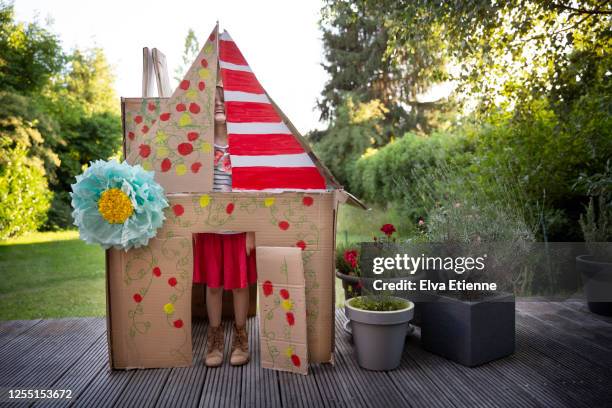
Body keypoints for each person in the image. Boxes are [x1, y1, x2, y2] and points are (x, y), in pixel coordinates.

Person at [193, 81, 256, 367]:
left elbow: (257, 189)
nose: (218, 101)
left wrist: (252, 231)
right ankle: (215, 338)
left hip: (238, 228)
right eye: (213, 97)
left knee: (240, 286)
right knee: (214, 286)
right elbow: (189, 187)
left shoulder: (243, 145)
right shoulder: (198, 144)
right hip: (209, 228)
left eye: (224, 96)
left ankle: (241, 337)